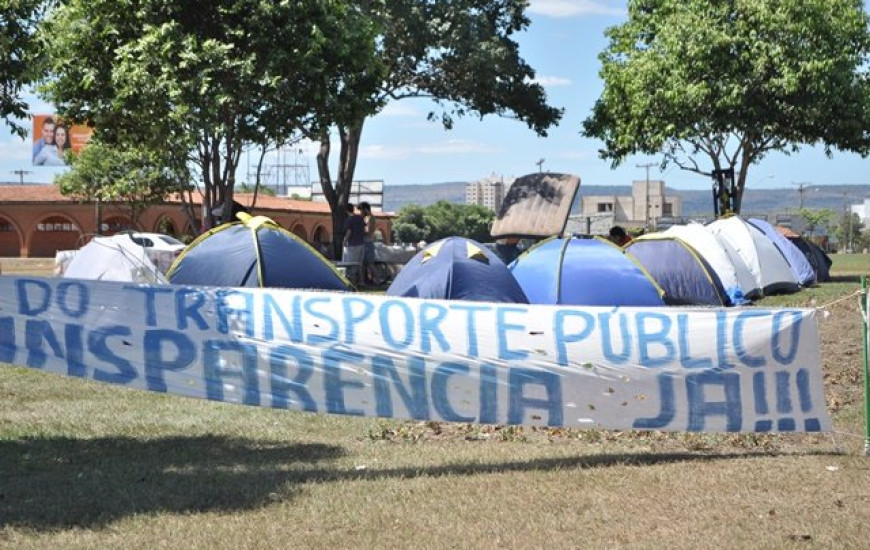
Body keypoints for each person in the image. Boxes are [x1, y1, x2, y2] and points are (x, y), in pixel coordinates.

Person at [342, 203, 365, 285]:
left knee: (351, 264)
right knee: (359, 264)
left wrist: (345, 240)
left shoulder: (349, 220)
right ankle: (362, 281)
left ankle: (352, 282)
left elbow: (349, 232)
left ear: (346, 210)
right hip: (361, 243)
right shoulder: (360, 218)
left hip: (353, 244)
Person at [359, 201, 377, 284]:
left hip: (368, 242)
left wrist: (359, 231)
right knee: (363, 263)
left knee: (370, 263)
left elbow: (369, 231)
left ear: (365, 209)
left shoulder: (370, 218)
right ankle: (363, 280)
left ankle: (377, 279)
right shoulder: (365, 218)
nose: (360, 212)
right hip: (364, 242)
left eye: (361, 210)